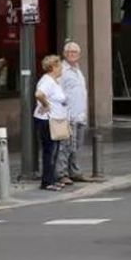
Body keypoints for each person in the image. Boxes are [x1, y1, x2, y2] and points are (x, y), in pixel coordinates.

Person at [34, 55, 69, 191]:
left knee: (54, 151)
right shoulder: (47, 81)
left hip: (56, 120)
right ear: (53, 67)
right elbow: (39, 94)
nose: (61, 69)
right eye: (60, 66)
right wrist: (45, 105)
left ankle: (52, 179)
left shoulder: (55, 81)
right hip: (47, 120)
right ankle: (47, 182)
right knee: (49, 151)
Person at [57, 41, 89, 182]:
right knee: (65, 147)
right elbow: (57, 91)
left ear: (79, 55)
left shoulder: (77, 70)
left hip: (80, 115)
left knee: (77, 146)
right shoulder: (62, 70)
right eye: (69, 52)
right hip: (68, 115)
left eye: (74, 52)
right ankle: (61, 174)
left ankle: (74, 171)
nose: (72, 54)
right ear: (64, 54)